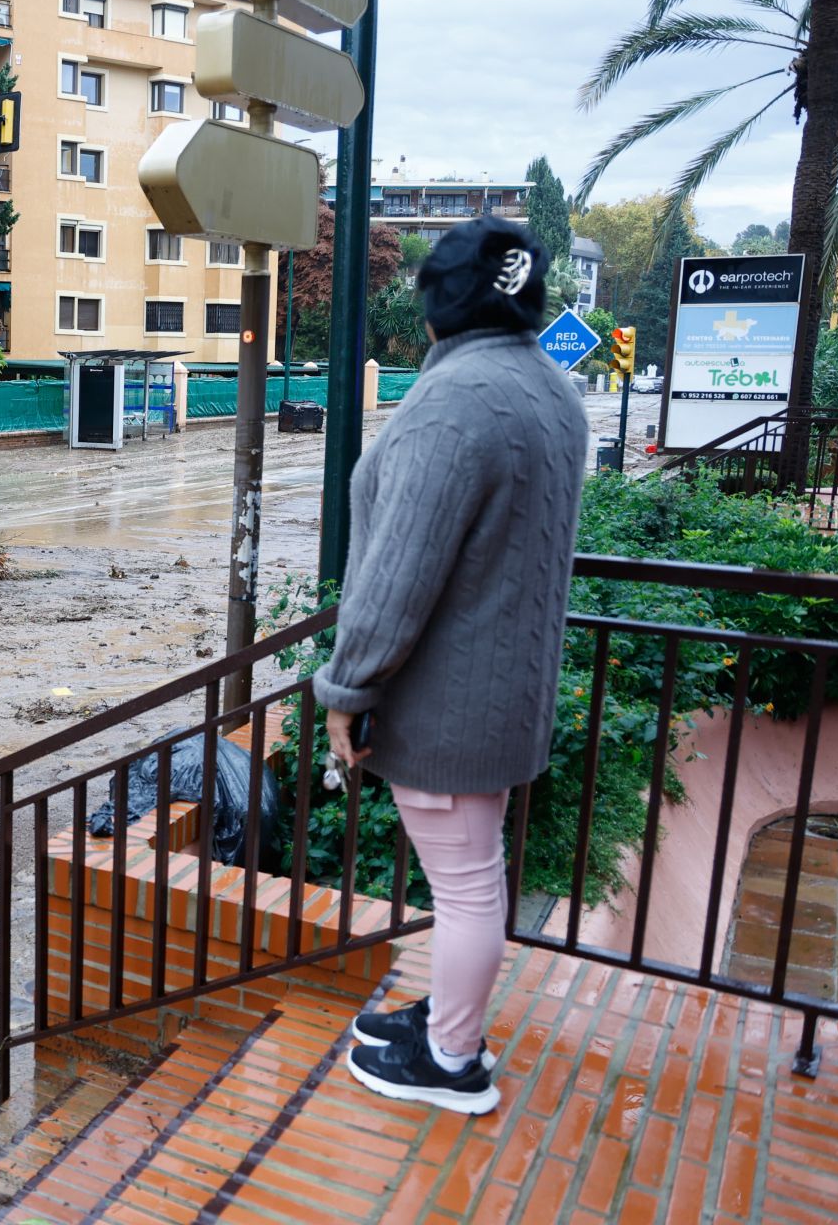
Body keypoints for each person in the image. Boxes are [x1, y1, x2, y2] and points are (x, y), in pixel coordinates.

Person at [312, 216, 588, 1116]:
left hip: (449, 703)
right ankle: (447, 1018)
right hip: (508, 693)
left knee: (468, 888)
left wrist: (346, 689)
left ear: (438, 304)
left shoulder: (452, 401)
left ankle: (453, 1060)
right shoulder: (551, 390)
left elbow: (397, 576)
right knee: (474, 874)